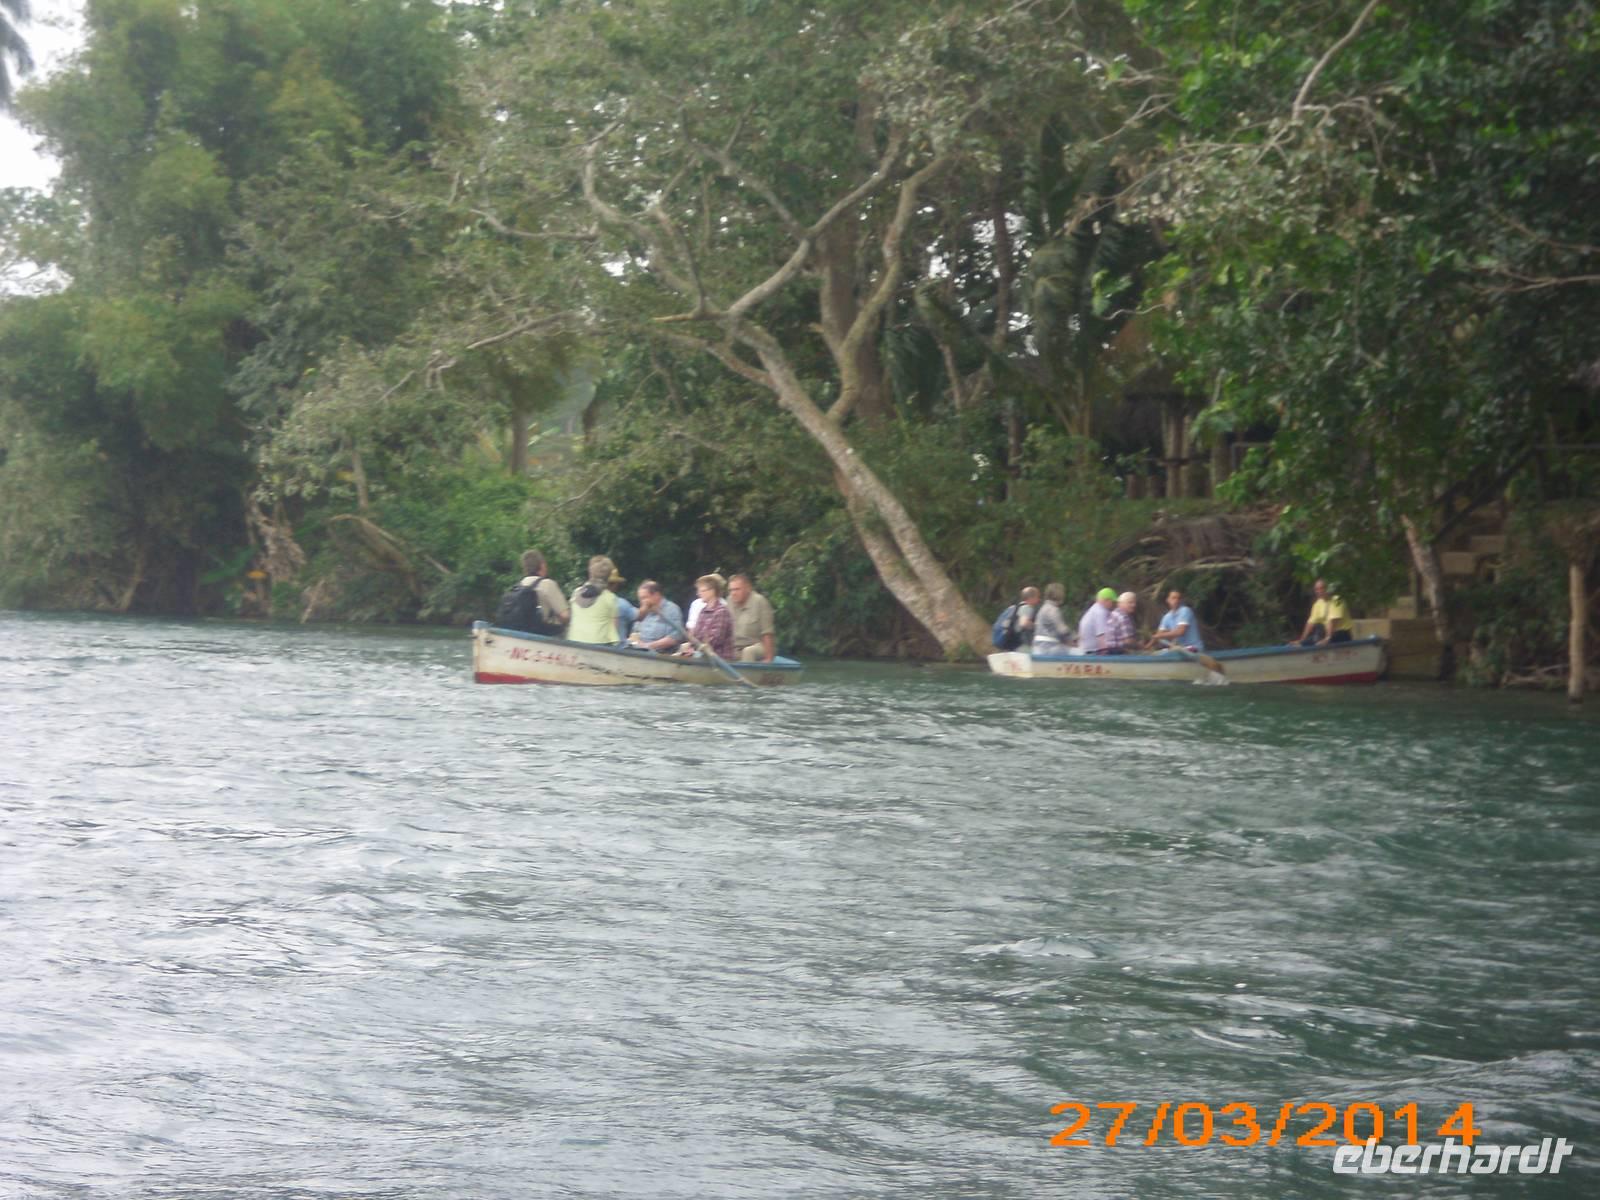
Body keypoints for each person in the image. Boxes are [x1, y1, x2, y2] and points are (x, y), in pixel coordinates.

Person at [494, 549, 569, 635]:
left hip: (518, 635)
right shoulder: (548, 584)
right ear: (542, 565)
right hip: (542, 637)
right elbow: (565, 615)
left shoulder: (518, 586)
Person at [567, 555, 621, 644]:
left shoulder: (576, 593)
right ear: (609, 575)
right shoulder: (610, 598)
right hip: (599, 645)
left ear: (590, 571)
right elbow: (614, 627)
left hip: (573, 641)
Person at [680, 573, 734, 659]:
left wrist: (695, 648)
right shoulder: (703, 611)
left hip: (719, 658)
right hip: (702, 656)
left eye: (702, 591)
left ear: (712, 591)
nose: (698, 593)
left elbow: (715, 641)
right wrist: (690, 646)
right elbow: (696, 634)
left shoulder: (722, 612)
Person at [727, 573, 777, 662]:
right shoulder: (729, 601)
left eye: (737, 589)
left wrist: (769, 658)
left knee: (748, 651)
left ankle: (747, 674)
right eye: (731, 590)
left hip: (758, 646)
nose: (733, 593)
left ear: (748, 588)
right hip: (735, 647)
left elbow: (767, 632)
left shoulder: (760, 602)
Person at [1291, 578, 1352, 647]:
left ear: (1328, 588)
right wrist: (1302, 640)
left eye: (1322, 588)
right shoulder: (1317, 604)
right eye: (1316, 589)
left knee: (1318, 642)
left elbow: (1333, 622)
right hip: (1327, 633)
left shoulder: (1336, 600)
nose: (1319, 591)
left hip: (1341, 634)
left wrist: (1327, 638)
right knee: (1304, 643)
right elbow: (1310, 623)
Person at [628, 580, 685, 652]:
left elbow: (675, 638)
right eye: (640, 598)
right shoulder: (644, 610)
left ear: (656, 595)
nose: (642, 601)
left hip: (662, 655)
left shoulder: (672, 609)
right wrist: (637, 643)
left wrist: (648, 646)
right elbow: (634, 633)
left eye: (644, 598)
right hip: (640, 652)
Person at [1030, 583, 1073, 655]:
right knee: (1079, 652)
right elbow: (1062, 630)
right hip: (1049, 647)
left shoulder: (1043, 608)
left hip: (1037, 647)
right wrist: (1074, 638)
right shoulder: (1053, 609)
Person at [1077, 586, 1117, 653]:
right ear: (1107, 600)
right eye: (1112, 602)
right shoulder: (1101, 612)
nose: (1113, 605)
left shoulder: (1093, 609)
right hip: (1093, 652)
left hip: (1084, 649)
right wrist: (1104, 655)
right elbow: (1101, 635)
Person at [608, 567, 636, 642]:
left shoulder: (586, 602)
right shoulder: (622, 604)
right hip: (617, 651)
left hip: (589, 648)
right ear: (615, 585)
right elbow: (639, 617)